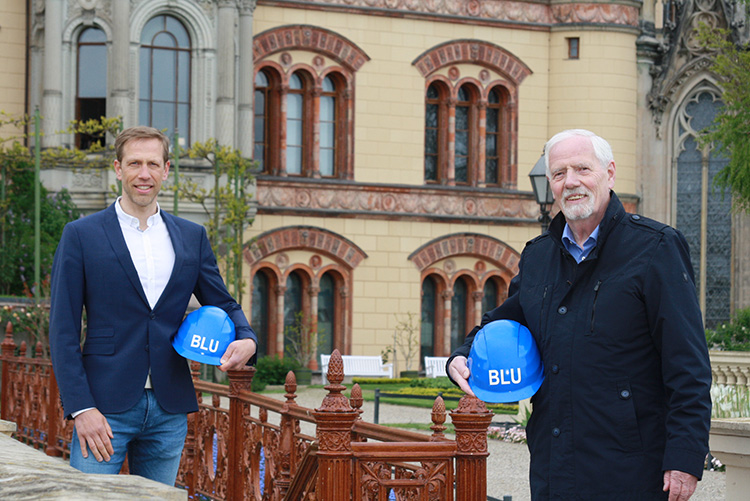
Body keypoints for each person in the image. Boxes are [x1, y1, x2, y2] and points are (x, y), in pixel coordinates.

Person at [447, 129, 711, 501]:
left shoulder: (656, 248)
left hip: (632, 472)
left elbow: (688, 364)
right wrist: (463, 353)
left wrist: (685, 457)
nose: (570, 182)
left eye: (582, 169)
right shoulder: (538, 256)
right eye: (559, 173)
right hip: (554, 468)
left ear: (610, 174)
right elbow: (508, 319)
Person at [49, 126, 257, 485]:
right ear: (118, 168)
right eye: (134, 163)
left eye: (152, 164)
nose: (143, 174)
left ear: (166, 169)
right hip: (103, 409)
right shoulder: (81, 235)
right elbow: (62, 330)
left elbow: (222, 301)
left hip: (168, 408)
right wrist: (81, 408)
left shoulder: (192, 236)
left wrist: (248, 338)